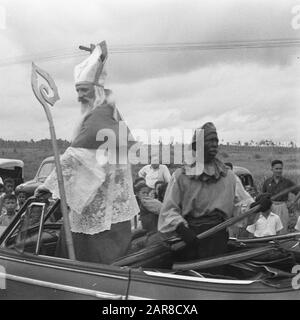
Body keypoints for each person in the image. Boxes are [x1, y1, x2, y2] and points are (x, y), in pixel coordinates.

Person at [36, 42, 139, 264]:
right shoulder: (108, 113)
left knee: (88, 267)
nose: (80, 96)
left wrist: (46, 187)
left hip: (97, 224)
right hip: (108, 217)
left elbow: (77, 158)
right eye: (77, 91)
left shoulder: (98, 117)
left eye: (83, 90)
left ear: (96, 91)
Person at [158, 122, 259, 261]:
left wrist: (255, 207)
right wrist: (181, 228)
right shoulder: (181, 176)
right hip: (190, 239)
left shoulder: (228, 177)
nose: (215, 144)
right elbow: (168, 210)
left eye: (216, 140)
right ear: (197, 145)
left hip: (218, 239)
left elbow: (242, 205)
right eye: (210, 140)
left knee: (216, 275)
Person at [262, 160, 298, 234]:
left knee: (282, 229)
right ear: (272, 169)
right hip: (270, 207)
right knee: (270, 230)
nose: (279, 171)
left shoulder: (287, 182)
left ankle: (282, 245)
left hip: (282, 207)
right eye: (276, 169)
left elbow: (298, 191)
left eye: (280, 169)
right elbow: (263, 196)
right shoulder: (267, 182)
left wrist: (293, 202)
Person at [224, 162, 254, 237]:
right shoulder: (223, 180)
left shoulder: (234, 180)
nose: (227, 171)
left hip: (240, 212)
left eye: (228, 169)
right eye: (225, 169)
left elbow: (236, 198)